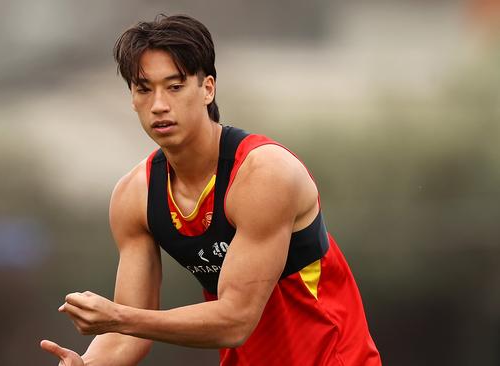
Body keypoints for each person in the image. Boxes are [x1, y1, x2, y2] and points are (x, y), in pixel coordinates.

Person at [40, 14, 381, 366]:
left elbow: (235, 321)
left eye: (174, 86)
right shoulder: (134, 195)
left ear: (208, 89)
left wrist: (119, 318)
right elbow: (126, 337)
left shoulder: (263, 175)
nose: (158, 104)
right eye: (144, 89)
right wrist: (88, 364)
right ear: (132, 97)